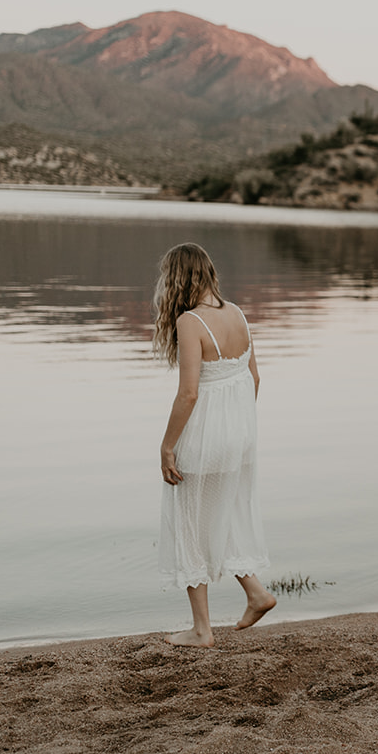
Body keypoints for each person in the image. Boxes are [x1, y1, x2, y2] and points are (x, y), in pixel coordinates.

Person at [153, 243, 275, 647]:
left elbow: (188, 394)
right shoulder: (237, 313)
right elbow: (254, 379)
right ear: (207, 272)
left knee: (190, 525)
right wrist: (235, 428)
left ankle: (202, 630)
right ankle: (257, 593)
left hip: (204, 439)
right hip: (238, 438)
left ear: (176, 279)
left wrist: (167, 447)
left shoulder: (190, 322)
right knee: (221, 517)